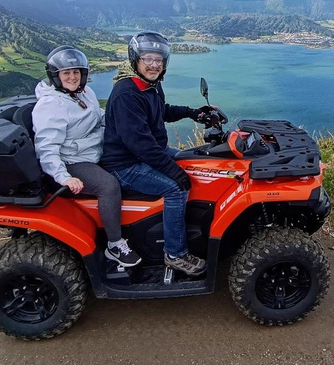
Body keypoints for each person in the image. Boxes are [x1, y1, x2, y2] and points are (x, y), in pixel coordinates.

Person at [101, 32, 211, 276]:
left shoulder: (150, 85)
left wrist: (194, 113)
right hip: (125, 164)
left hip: (147, 153)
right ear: (135, 60)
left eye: (158, 60)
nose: (154, 65)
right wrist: (172, 171)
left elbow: (161, 111)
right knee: (176, 187)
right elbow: (140, 145)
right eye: (148, 59)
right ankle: (175, 253)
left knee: (194, 161)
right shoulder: (126, 93)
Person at [32, 45, 141, 267]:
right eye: (66, 73)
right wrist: (64, 177)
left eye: (76, 72)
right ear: (55, 76)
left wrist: (126, 126)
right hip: (72, 161)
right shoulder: (51, 105)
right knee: (108, 186)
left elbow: (100, 116)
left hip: (93, 151)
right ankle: (114, 244)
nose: (72, 77)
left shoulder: (84, 93)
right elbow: (46, 147)